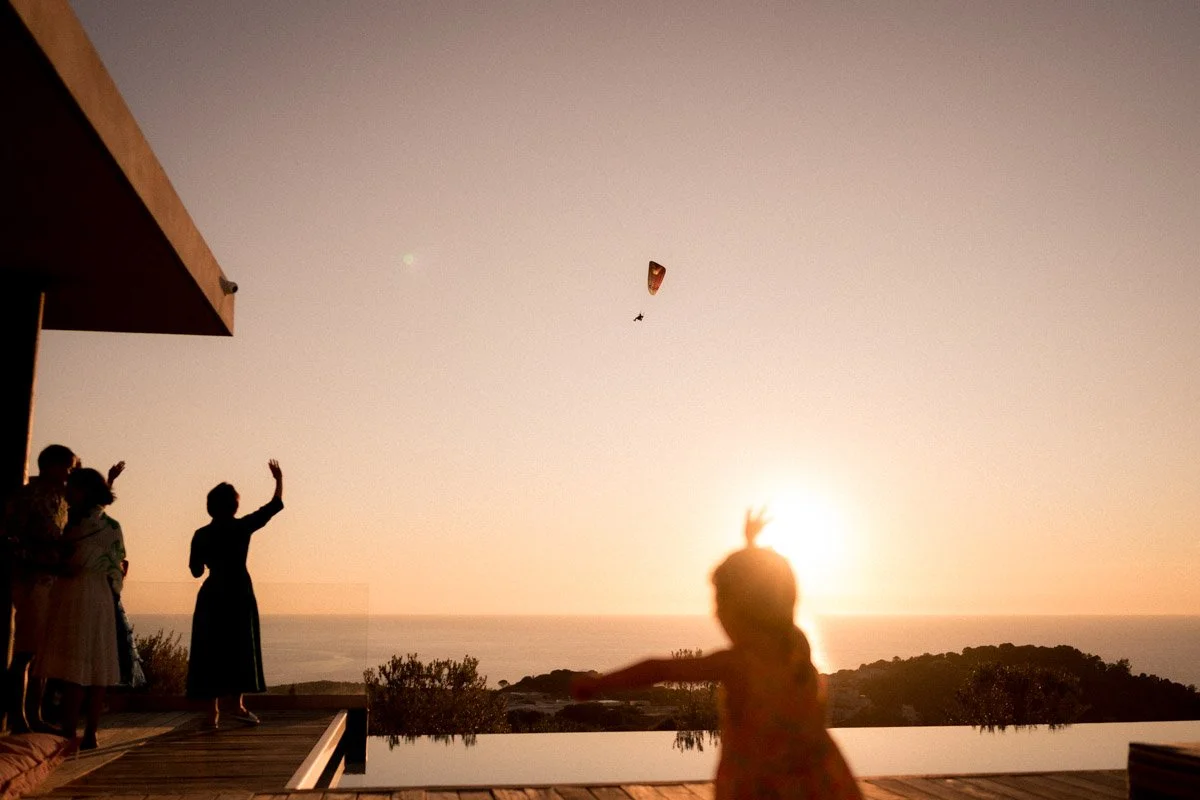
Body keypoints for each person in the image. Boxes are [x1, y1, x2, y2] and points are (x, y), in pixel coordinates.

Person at [571, 509, 863, 800]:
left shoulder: (738, 665)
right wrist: (751, 545)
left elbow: (659, 669)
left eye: (720, 602)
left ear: (737, 611)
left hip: (762, 787)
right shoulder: (797, 644)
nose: (716, 611)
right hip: (822, 781)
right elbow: (766, 589)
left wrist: (598, 684)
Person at [187, 460, 283, 729]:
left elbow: (195, 571)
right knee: (240, 647)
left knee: (210, 650)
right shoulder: (241, 528)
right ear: (234, 506)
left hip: (212, 594)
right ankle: (238, 706)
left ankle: (211, 713)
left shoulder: (201, 534)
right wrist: (278, 480)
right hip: (239, 592)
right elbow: (272, 508)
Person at [35, 468, 127, 749]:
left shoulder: (73, 525)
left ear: (83, 491)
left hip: (75, 593)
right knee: (96, 664)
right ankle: (91, 733)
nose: (67, 492)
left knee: (75, 663)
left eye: (73, 488)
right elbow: (119, 564)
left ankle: (68, 730)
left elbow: (70, 563)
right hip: (101, 595)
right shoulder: (112, 526)